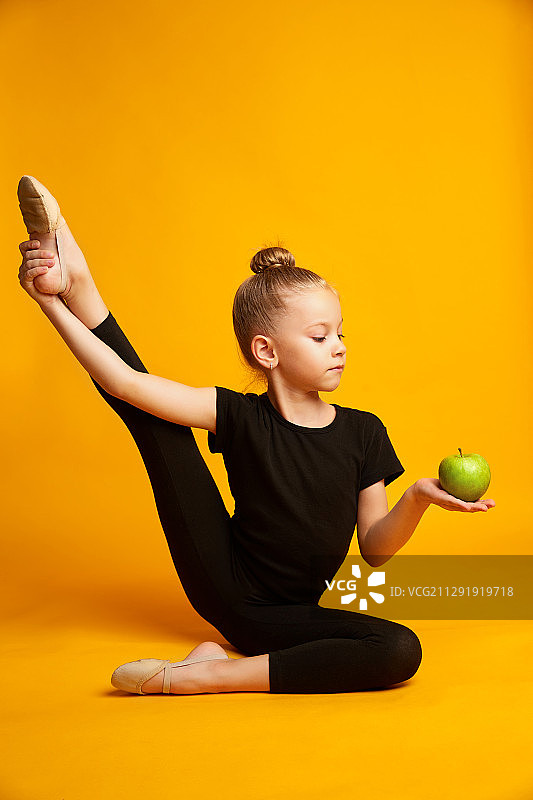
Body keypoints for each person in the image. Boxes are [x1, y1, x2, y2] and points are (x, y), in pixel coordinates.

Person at [17, 176, 496, 697]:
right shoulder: (238, 414)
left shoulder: (364, 431)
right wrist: (51, 305)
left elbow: (375, 551)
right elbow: (125, 383)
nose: (337, 347)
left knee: (400, 648)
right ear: (267, 352)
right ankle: (77, 284)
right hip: (228, 586)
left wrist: (418, 497)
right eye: (319, 336)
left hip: (292, 613)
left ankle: (211, 667)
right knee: (157, 420)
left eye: (341, 333)